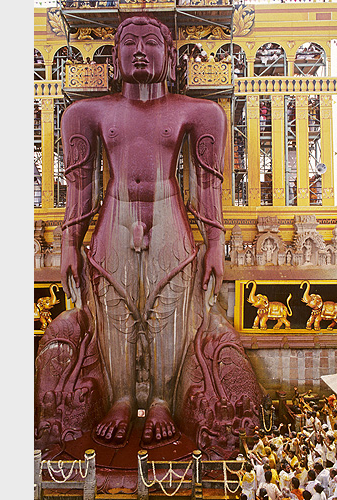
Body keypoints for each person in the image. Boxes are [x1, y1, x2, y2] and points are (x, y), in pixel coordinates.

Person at [60, 15, 227, 446]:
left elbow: (207, 182)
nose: (138, 49)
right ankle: (118, 395)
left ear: (168, 56)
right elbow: (81, 184)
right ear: (116, 57)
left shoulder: (199, 111)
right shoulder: (86, 113)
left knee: (169, 309)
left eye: (150, 42)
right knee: (114, 309)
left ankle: (160, 399)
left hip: (168, 215)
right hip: (113, 218)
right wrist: (68, 242)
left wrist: (215, 242)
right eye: (129, 42)